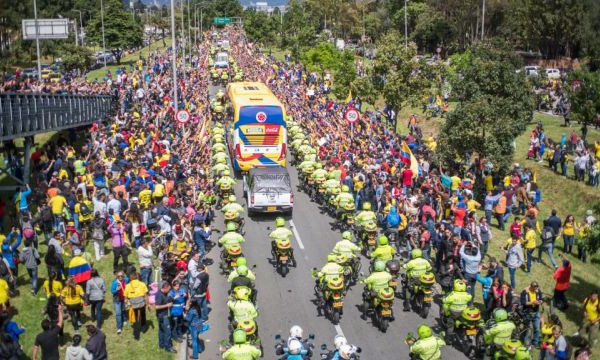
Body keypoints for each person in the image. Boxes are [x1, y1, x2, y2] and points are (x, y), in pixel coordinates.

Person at [124, 272, 148, 341]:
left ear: (130, 278)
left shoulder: (128, 286)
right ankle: (144, 327)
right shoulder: (142, 284)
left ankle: (136, 335)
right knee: (143, 314)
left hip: (133, 305)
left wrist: (126, 304)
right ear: (137, 277)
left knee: (135, 319)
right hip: (141, 304)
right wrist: (148, 304)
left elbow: (125, 298)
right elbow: (146, 295)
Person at [154, 281, 176, 353]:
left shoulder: (165, 293)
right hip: (163, 316)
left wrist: (171, 297)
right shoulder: (159, 295)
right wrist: (167, 305)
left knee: (161, 330)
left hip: (163, 315)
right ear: (164, 288)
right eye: (168, 289)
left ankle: (161, 344)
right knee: (168, 332)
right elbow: (156, 307)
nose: (169, 290)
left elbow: (168, 300)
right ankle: (168, 347)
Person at [520, 281, 543, 348]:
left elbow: (541, 299)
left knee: (537, 328)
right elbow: (523, 302)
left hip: (536, 312)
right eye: (534, 288)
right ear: (531, 286)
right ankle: (522, 341)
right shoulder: (525, 291)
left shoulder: (538, 291)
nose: (536, 290)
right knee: (526, 329)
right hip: (527, 313)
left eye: (536, 288)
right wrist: (532, 302)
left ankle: (535, 342)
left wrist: (540, 301)